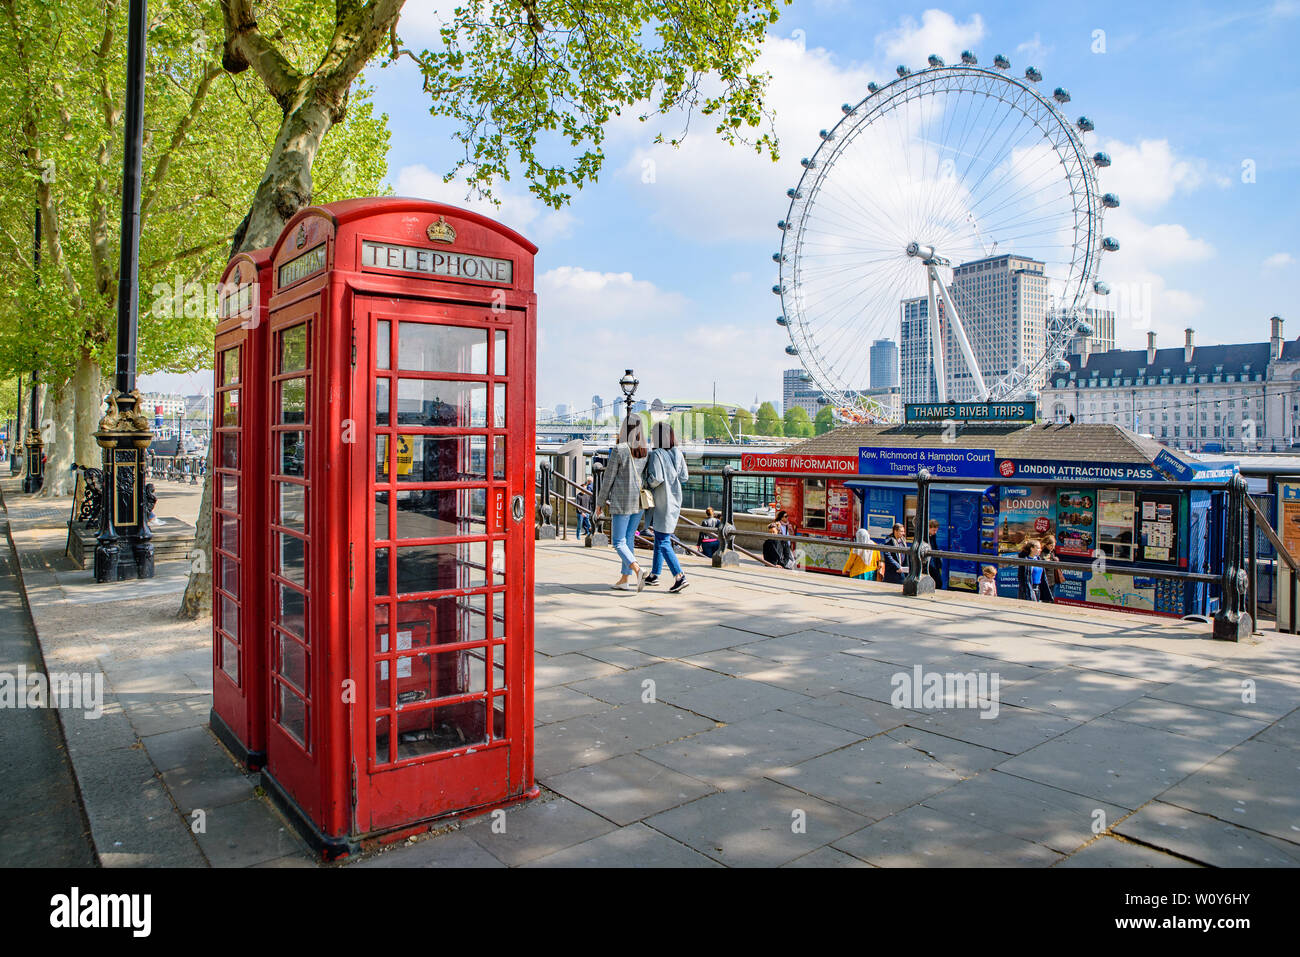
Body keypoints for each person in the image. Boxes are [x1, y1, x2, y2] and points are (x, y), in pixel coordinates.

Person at [594, 417, 650, 591]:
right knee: (628, 539)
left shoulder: (619, 450)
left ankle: (637, 569)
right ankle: (625, 579)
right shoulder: (644, 450)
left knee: (618, 542)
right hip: (639, 502)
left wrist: (600, 503)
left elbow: (608, 479)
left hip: (622, 501)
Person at [643, 421, 690, 593]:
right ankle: (655, 574)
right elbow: (684, 477)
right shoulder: (678, 452)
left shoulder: (656, 455)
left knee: (662, 540)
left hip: (662, 501)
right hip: (676, 499)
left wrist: (645, 483)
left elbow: (656, 479)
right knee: (659, 537)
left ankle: (679, 576)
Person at [1039, 534, 1063, 603]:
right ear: (1046, 544)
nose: (1052, 547)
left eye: (1054, 545)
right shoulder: (1042, 553)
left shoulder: (1052, 552)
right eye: (1051, 545)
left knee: (1052, 598)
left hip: (1052, 580)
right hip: (1046, 580)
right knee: (1046, 599)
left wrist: (1055, 560)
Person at [927, 518, 943, 587]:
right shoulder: (925, 537)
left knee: (938, 582)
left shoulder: (933, 536)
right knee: (937, 582)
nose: (935, 532)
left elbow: (935, 547)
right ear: (928, 528)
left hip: (934, 562)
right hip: (929, 563)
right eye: (934, 530)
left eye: (936, 530)